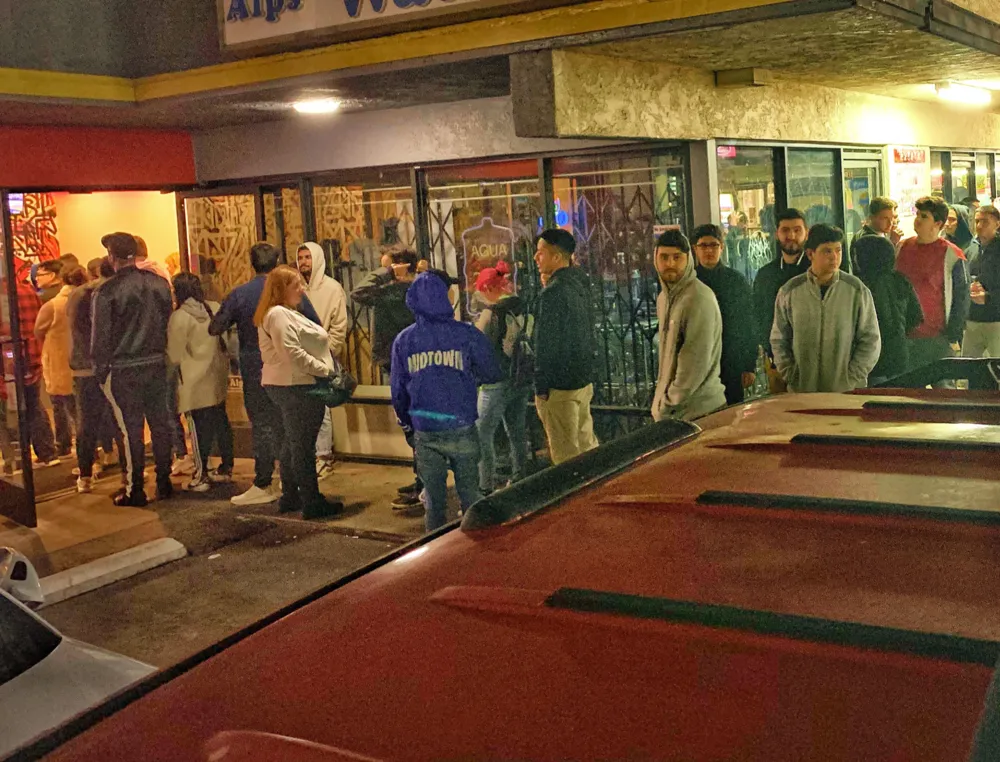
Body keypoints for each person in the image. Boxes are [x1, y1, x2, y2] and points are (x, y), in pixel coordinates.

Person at [210, 242, 323, 506]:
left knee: (263, 425)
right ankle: (291, 484)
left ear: (252, 263)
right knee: (290, 428)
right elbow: (314, 324)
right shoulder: (288, 290)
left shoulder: (240, 294)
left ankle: (264, 482)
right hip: (289, 370)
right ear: (278, 261)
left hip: (255, 368)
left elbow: (216, 326)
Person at [390, 272, 500, 532]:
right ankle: (480, 550)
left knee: (435, 503)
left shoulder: (404, 341)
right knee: (471, 496)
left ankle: (435, 554)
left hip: (426, 430)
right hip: (461, 424)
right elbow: (492, 371)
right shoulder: (466, 334)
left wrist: (408, 424)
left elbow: (398, 391)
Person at [92, 232, 175, 507]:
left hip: (124, 366)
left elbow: (100, 338)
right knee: (160, 424)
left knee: (130, 431)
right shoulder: (157, 283)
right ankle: (164, 480)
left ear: (112, 257)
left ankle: (134, 488)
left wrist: (101, 371)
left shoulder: (106, 291)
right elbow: (167, 320)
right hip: (155, 361)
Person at [255, 265, 343, 519]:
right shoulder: (278, 315)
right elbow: (292, 353)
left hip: (290, 383)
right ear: (282, 289)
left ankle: (292, 495)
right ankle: (311, 501)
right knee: (302, 445)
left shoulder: (282, 313)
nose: (302, 289)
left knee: (293, 442)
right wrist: (325, 371)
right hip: (296, 385)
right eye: (297, 285)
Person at [771, 224, 881, 393]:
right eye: (827, 251)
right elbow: (779, 339)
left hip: (846, 391)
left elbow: (870, 339)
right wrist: (791, 374)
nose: (834, 257)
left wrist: (851, 376)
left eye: (838, 250)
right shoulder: (790, 291)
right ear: (810, 254)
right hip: (802, 391)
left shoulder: (856, 290)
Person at [352, 250, 421, 509]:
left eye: (387, 268)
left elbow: (358, 292)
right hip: (403, 362)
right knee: (413, 423)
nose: (382, 275)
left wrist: (388, 274)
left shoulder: (394, 292)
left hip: (399, 364)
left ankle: (423, 482)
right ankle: (421, 478)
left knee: (411, 423)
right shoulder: (411, 290)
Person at [533, 229, 599, 465]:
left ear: (557, 257)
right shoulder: (580, 284)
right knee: (586, 446)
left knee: (566, 455)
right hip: (581, 379)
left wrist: (541, 385)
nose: (535, 258)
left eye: (541, 253)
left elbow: (547, 342)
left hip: (559, 386)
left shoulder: (554, 293)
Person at [167, 273, 235, 492]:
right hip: (216, 377)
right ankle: (226, 467)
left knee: (197, 429)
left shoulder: (179, 317)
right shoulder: (214, 307)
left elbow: (174, 355)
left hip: (193, 382)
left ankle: (201, 474)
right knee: (220, 421)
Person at [650, 230, 727, 421]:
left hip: (700, 412)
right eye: (664, 257)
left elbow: (694, 363)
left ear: (689, 259)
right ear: (655, 259)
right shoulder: (664, 299)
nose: (670, 264)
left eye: (677, 257)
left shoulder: (698, 298)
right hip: (679, 412)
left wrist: (667, 405)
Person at [473, 261, 532, 494]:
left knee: (482, 433)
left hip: (495, 382)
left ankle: (484, 485)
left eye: (480, 290)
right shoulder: (521, 307)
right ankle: (519, 476)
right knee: (516, 430)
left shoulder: (491, 314)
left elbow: (477, 347)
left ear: (488, 288)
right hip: (520, 377)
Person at [67, 257, 125, 493]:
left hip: (84, 367)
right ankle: (129, 471)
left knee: (87, 424)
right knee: (121, 420)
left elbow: (75, 331)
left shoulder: (77, 296)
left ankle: (85, 475)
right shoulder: (112, 293)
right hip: (112, 365)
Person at [895, 196, 970, 371]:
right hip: (905, 337)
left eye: (924, 216)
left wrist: (953, 335)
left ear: (938, 223)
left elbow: (961, 297)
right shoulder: (901, 247)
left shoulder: (952, 254)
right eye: (917, 214)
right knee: (908, 392)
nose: (917, 220)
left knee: (944, 392)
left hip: (937, 338)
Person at [295, 242, 348, 480]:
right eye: (301, 257)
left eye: (308, 257)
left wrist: (329, 351)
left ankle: (324, 456)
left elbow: (339, 325)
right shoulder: (294, 287)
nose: (304, 261)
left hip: (322, 356)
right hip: (298, 357)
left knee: (323, 408)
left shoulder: (332, 288)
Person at [691, 224, 756, 405]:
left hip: (731, 362)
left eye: (714, 245)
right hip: (697, 364)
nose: (709, 250)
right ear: (695, 249)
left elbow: (748, 324)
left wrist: (749, 365)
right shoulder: (689, 283)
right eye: (703, 246)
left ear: (722, 247)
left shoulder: (736, 281)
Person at [854, 236, 923, 384]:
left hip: (874, 360)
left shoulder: (861, 286)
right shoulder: (900, 280)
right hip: (899, 356)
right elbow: (916, 316)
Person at [34, 265, 85, 457]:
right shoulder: (90, 297)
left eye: (40, 274)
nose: (36, 278)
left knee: (63, 406)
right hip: (85, 362)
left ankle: (66, 446)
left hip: (59, 361)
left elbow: (38, 331)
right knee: (81, 410)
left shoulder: (51, 303)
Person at [8, 276, 58, 467]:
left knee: (13, 409)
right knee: (34, 405)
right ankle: (47, 453)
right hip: (33, 355)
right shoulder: (28, 291)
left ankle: (20, 458)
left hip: (10, 361)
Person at [752, 208, 809, 358]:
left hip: (811, 357)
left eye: (797, 230)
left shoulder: (816, 272)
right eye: (785, 230)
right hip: (776, 359)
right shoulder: (765, 274)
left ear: (806, 233)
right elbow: (758, 315)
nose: (791, 236)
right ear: (777, 234)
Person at [964, 205, 1000, 358]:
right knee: (967, 369)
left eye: (985, 222)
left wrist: (988, 297)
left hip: (996, 320)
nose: (979, 226)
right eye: (977, 221)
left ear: (997, 224)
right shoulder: (971, 248)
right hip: (973, 319)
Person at [849, 197, 901, 270]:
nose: (890, 223)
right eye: (885, 218)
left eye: (892, 218)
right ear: (872, 218)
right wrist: (892, 242)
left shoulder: (882, 232)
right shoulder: (866, 239)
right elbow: (882, 267)